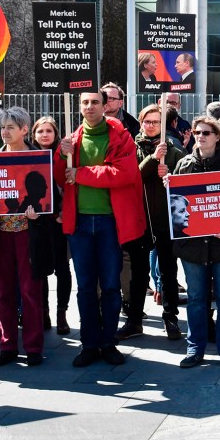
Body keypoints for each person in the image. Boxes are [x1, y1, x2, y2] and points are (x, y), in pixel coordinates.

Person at [56, 90, 146, 367]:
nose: (89, 106)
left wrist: (81, 173)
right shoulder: (72, 140)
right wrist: (61, 155)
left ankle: (108, 342)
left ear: (105, 106)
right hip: (80, 222)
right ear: (79, 107)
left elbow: (124, 174)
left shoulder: (121, 136)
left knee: (109, 285)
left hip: (110, 221)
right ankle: (89, 343)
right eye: (85, 102)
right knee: (85, 287)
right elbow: (61, 177)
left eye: (95, 102)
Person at [0, 107, 54, 367]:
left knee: (30, 292)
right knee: (3, 293)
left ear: (24, 130)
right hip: (1, 234)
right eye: (3, 127)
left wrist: (40, 215)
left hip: (28, 235)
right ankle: (8, 345)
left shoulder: (38, 159)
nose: (5, 132)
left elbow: (50, 199)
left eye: (10, 127)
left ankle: (34, 346)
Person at [173, 117, 220, 368]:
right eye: (197, 132)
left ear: (217, 137)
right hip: (193, 246)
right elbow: (176, 206)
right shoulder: (184, 165)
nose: (200, 136)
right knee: (196, 298)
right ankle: (195, 348)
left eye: (206, 132)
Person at [118, 103, 184, 342]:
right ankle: (134, 320)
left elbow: (185, 176)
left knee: (168, 272)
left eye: (156, 122)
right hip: (139, 220)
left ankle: (171, 318)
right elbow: (131, 176)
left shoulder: (173, 147)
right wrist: (152, 160)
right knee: (138, 273)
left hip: (165, 222)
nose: (151, 126)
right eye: (147, 121)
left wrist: (171, 174)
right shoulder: (131, 147)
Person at [32, 116, 72, 334]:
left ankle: (61, 313)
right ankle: (43, 311)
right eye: (40, 131)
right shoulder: (29, 155)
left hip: (58, 221)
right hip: (37, 222)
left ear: (55, 134)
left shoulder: (63, 155)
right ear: (34, 134)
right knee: (41, 268)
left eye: (49, 131)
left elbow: (69, 185)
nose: (44, 135)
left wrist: (64, 212)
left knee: (62, 268)